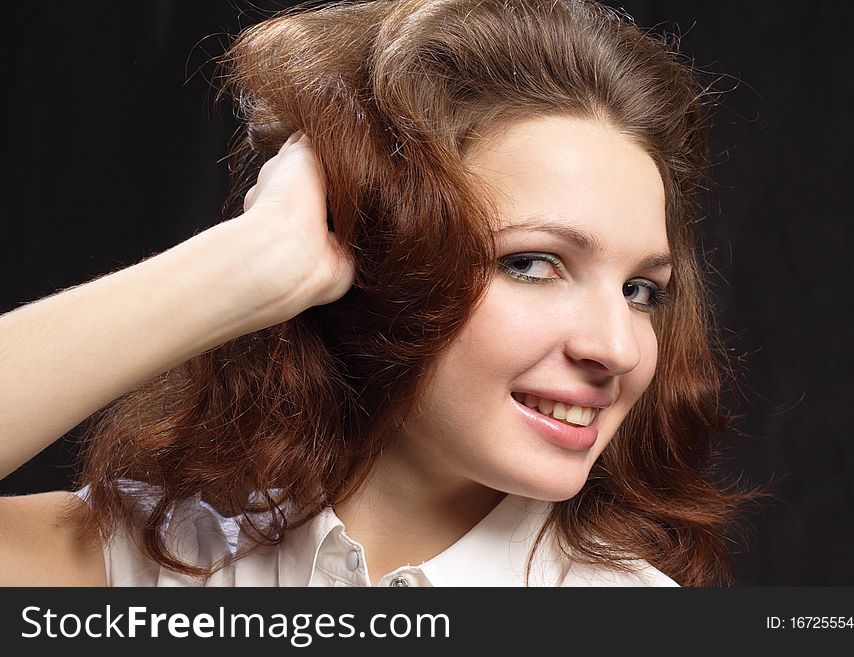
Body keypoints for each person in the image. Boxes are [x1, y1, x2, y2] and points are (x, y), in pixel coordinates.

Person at [0, 0, 755, 587]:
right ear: (383, 258)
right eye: (533, 263)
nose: (618, 347)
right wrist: (247, 262)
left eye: (640, 290)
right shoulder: (163, 563)